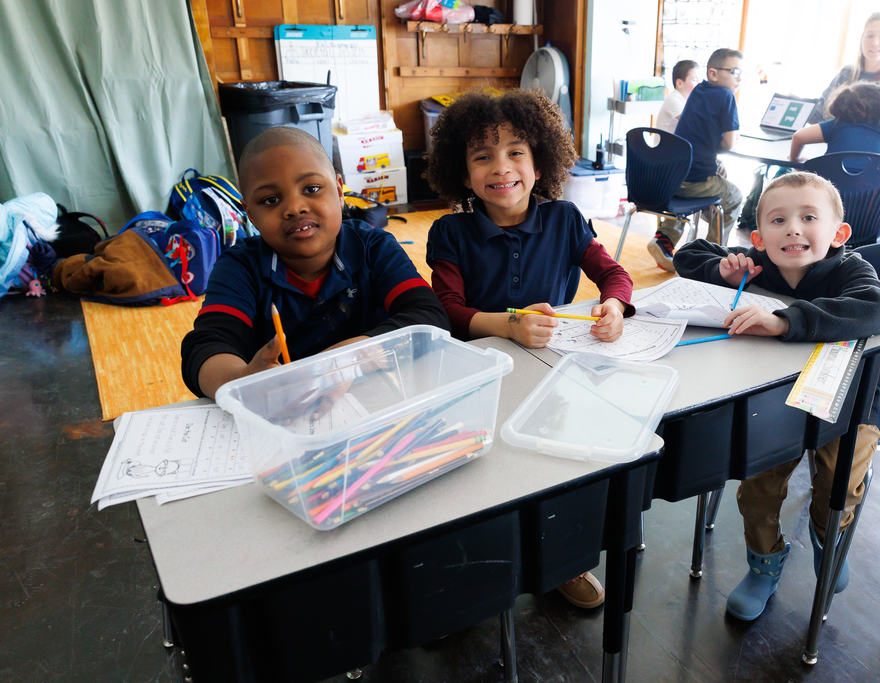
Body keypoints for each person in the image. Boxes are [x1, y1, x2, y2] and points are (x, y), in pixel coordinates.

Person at [424, 89, 635, 608]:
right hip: (476, 377)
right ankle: (473, 568)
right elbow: (446, 310)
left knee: (559, 467)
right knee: (477, 476)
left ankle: (565, 560)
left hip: (550, 372)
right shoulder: (450, 232)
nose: (502, 168)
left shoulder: (565, 219)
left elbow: (613, 274)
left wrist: (614, 306)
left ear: (540, 162)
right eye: (482, 156)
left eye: (516, 151)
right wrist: (507, 324)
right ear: (463, 172)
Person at [672, 172, 880, 621]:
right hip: (773, 404)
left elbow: (874, 308)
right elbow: (688, 255)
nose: (792, 228)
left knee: (839, 484)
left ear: (839, 234)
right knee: (757, 491)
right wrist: (722, 268)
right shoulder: (760, 262)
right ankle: (764, 564)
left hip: (848, 405)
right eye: (778, 220)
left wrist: (785, 321)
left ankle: (828, 538)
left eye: (809, 217)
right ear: (759, 237)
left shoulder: (852, 269)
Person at [180, 127, 449, 400]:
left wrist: (345, 361)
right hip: (281, 411)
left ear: (340, 190)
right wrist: (243, 382)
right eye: (270, 200)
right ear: (250, 214)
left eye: (311, 188)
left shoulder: (373, 248)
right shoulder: (239, 267)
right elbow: (204, 349)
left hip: (377, 401)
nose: (295, 207)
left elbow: (429, 316)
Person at [673, 48, 744, 247]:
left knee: (718, 175)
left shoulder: (698, 91)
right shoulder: (726, 96)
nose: (739, 80)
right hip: (697, 180)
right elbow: (730, 143)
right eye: (735, 73)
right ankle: (712, 251)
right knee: (735, 196)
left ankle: (665, 240)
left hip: (672, 177)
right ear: (713, 73)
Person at [648, 59, 701, 272]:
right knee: (705, 186)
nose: (698, 85)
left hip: (671, 167)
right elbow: (693, 127)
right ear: (679, 82)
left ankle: (665, 241)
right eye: (694, 80)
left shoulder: (683, 101)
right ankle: (703, 253)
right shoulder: (675, 100)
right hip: (668, 172)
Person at [808, 12, 880, 125]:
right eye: (870, 35)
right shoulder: (846, 73)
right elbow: (820, 111)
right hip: (838, 135)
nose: (875, 42)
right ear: (861, 39)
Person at [790, 82, 880, 162]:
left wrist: (794, 160)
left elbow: (798, 137)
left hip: (830, 195)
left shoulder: (838, 125)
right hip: (868, 198)